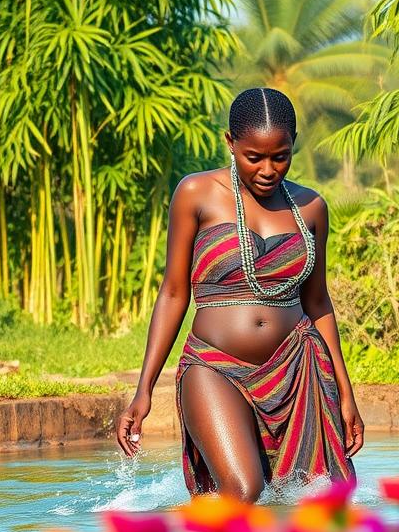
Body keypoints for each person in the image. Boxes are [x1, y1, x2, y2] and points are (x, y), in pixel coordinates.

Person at [115, 88, 362, 500]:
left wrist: (345, 393)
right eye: (254, 157)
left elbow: (318, 302)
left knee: (320, 497)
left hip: (297, 369)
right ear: (230, 143)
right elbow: (174, 293)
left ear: (293, 146)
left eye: (280, 156)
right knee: (244, 489)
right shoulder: (196, 193)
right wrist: (144, 391)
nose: (268, 169)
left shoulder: (312, 207)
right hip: (214, 366)